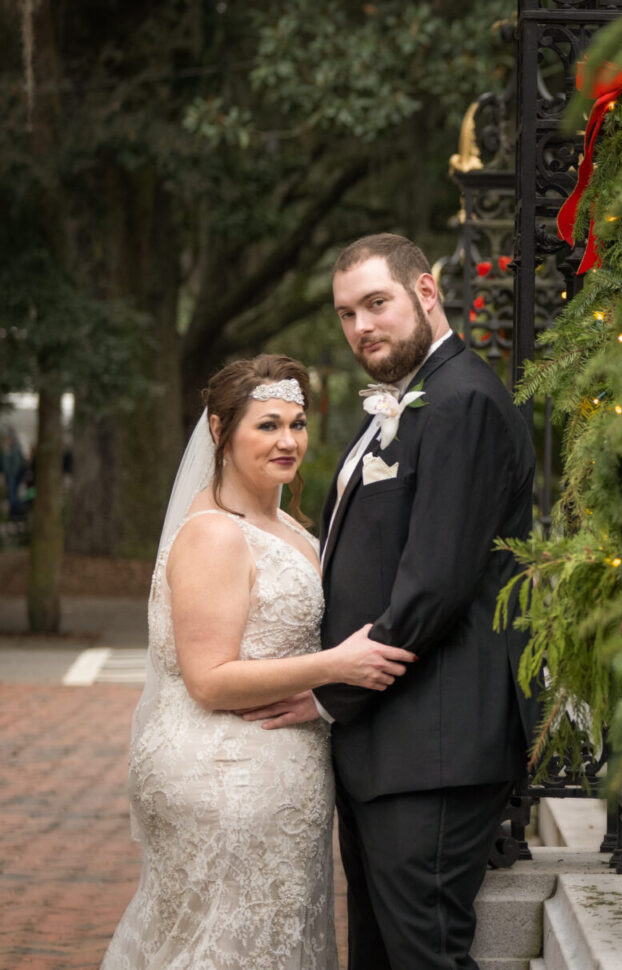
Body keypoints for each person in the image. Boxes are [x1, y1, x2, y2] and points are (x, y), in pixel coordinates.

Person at [240, 234, 538, 970]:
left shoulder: (462, 402)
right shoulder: (402, 405)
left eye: (377, 303)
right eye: (347, 313)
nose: (361, 327)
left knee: (424, 955)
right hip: (391, 746)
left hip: (433, 745)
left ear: (426, 294)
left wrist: (330, 695)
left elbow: (434, 582)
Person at [101, 355, 416, 970]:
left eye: (297, 425)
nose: (288, 441)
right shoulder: (216, 534)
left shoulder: (292, 529)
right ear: (220, 431)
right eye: (267, 425)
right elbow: (210, 680)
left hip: (278, 775)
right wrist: (337, 665)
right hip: (225, 772)